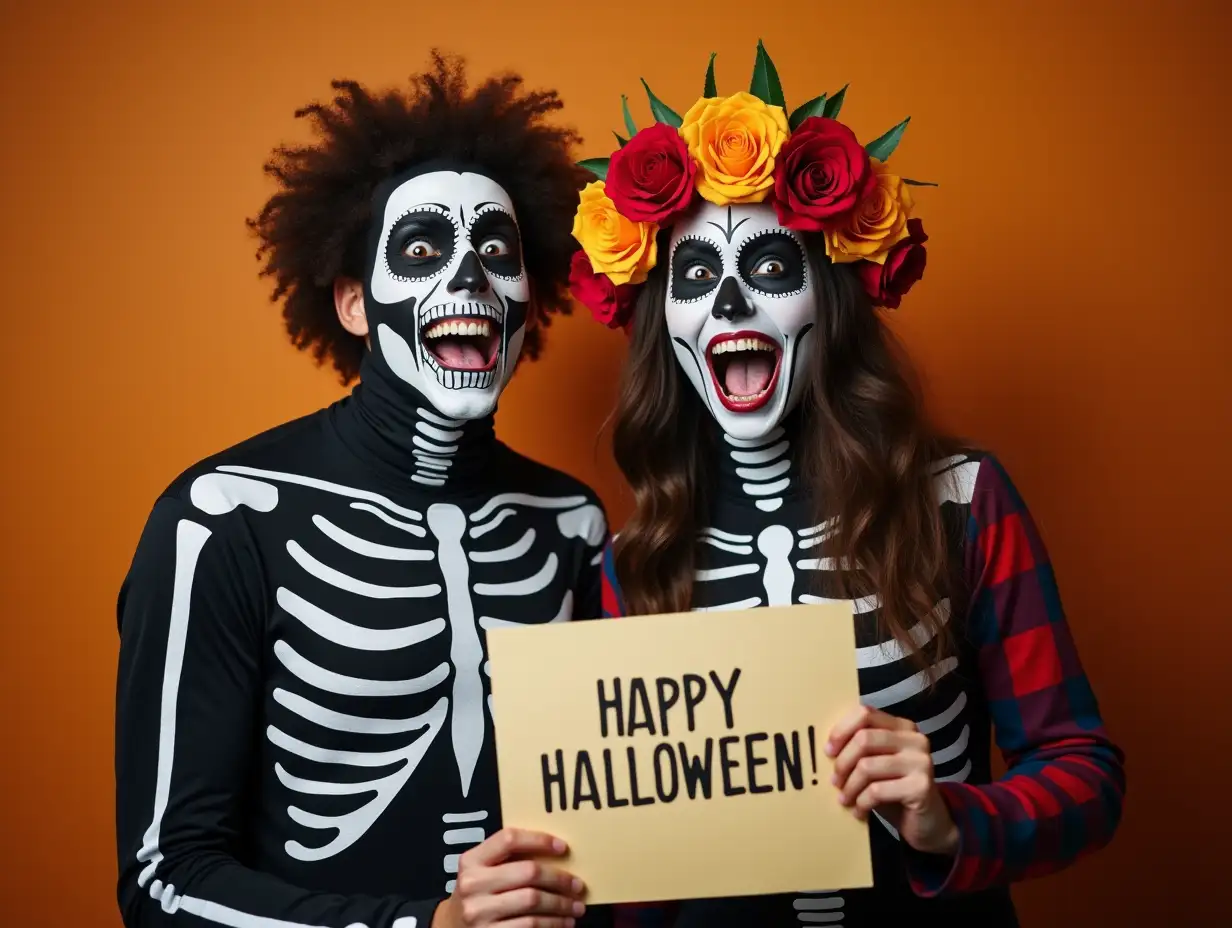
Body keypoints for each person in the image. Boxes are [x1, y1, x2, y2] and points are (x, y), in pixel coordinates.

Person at [568, 43, 1126, 926]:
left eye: (772, 269)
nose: (730, 306)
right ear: (660, 324)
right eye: (698, 277)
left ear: (830, 299)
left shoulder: (962, 502)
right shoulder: (635, 558)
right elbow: (631, 881)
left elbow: (1084, 774)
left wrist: (951, 818)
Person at [116, 53, 609, 928]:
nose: (469, 280)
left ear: (532, 302)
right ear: (354, 303)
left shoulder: (570, 523)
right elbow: (166, 881)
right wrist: (426, 926)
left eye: (499, 254)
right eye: (423, 251)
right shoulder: (221, 521)